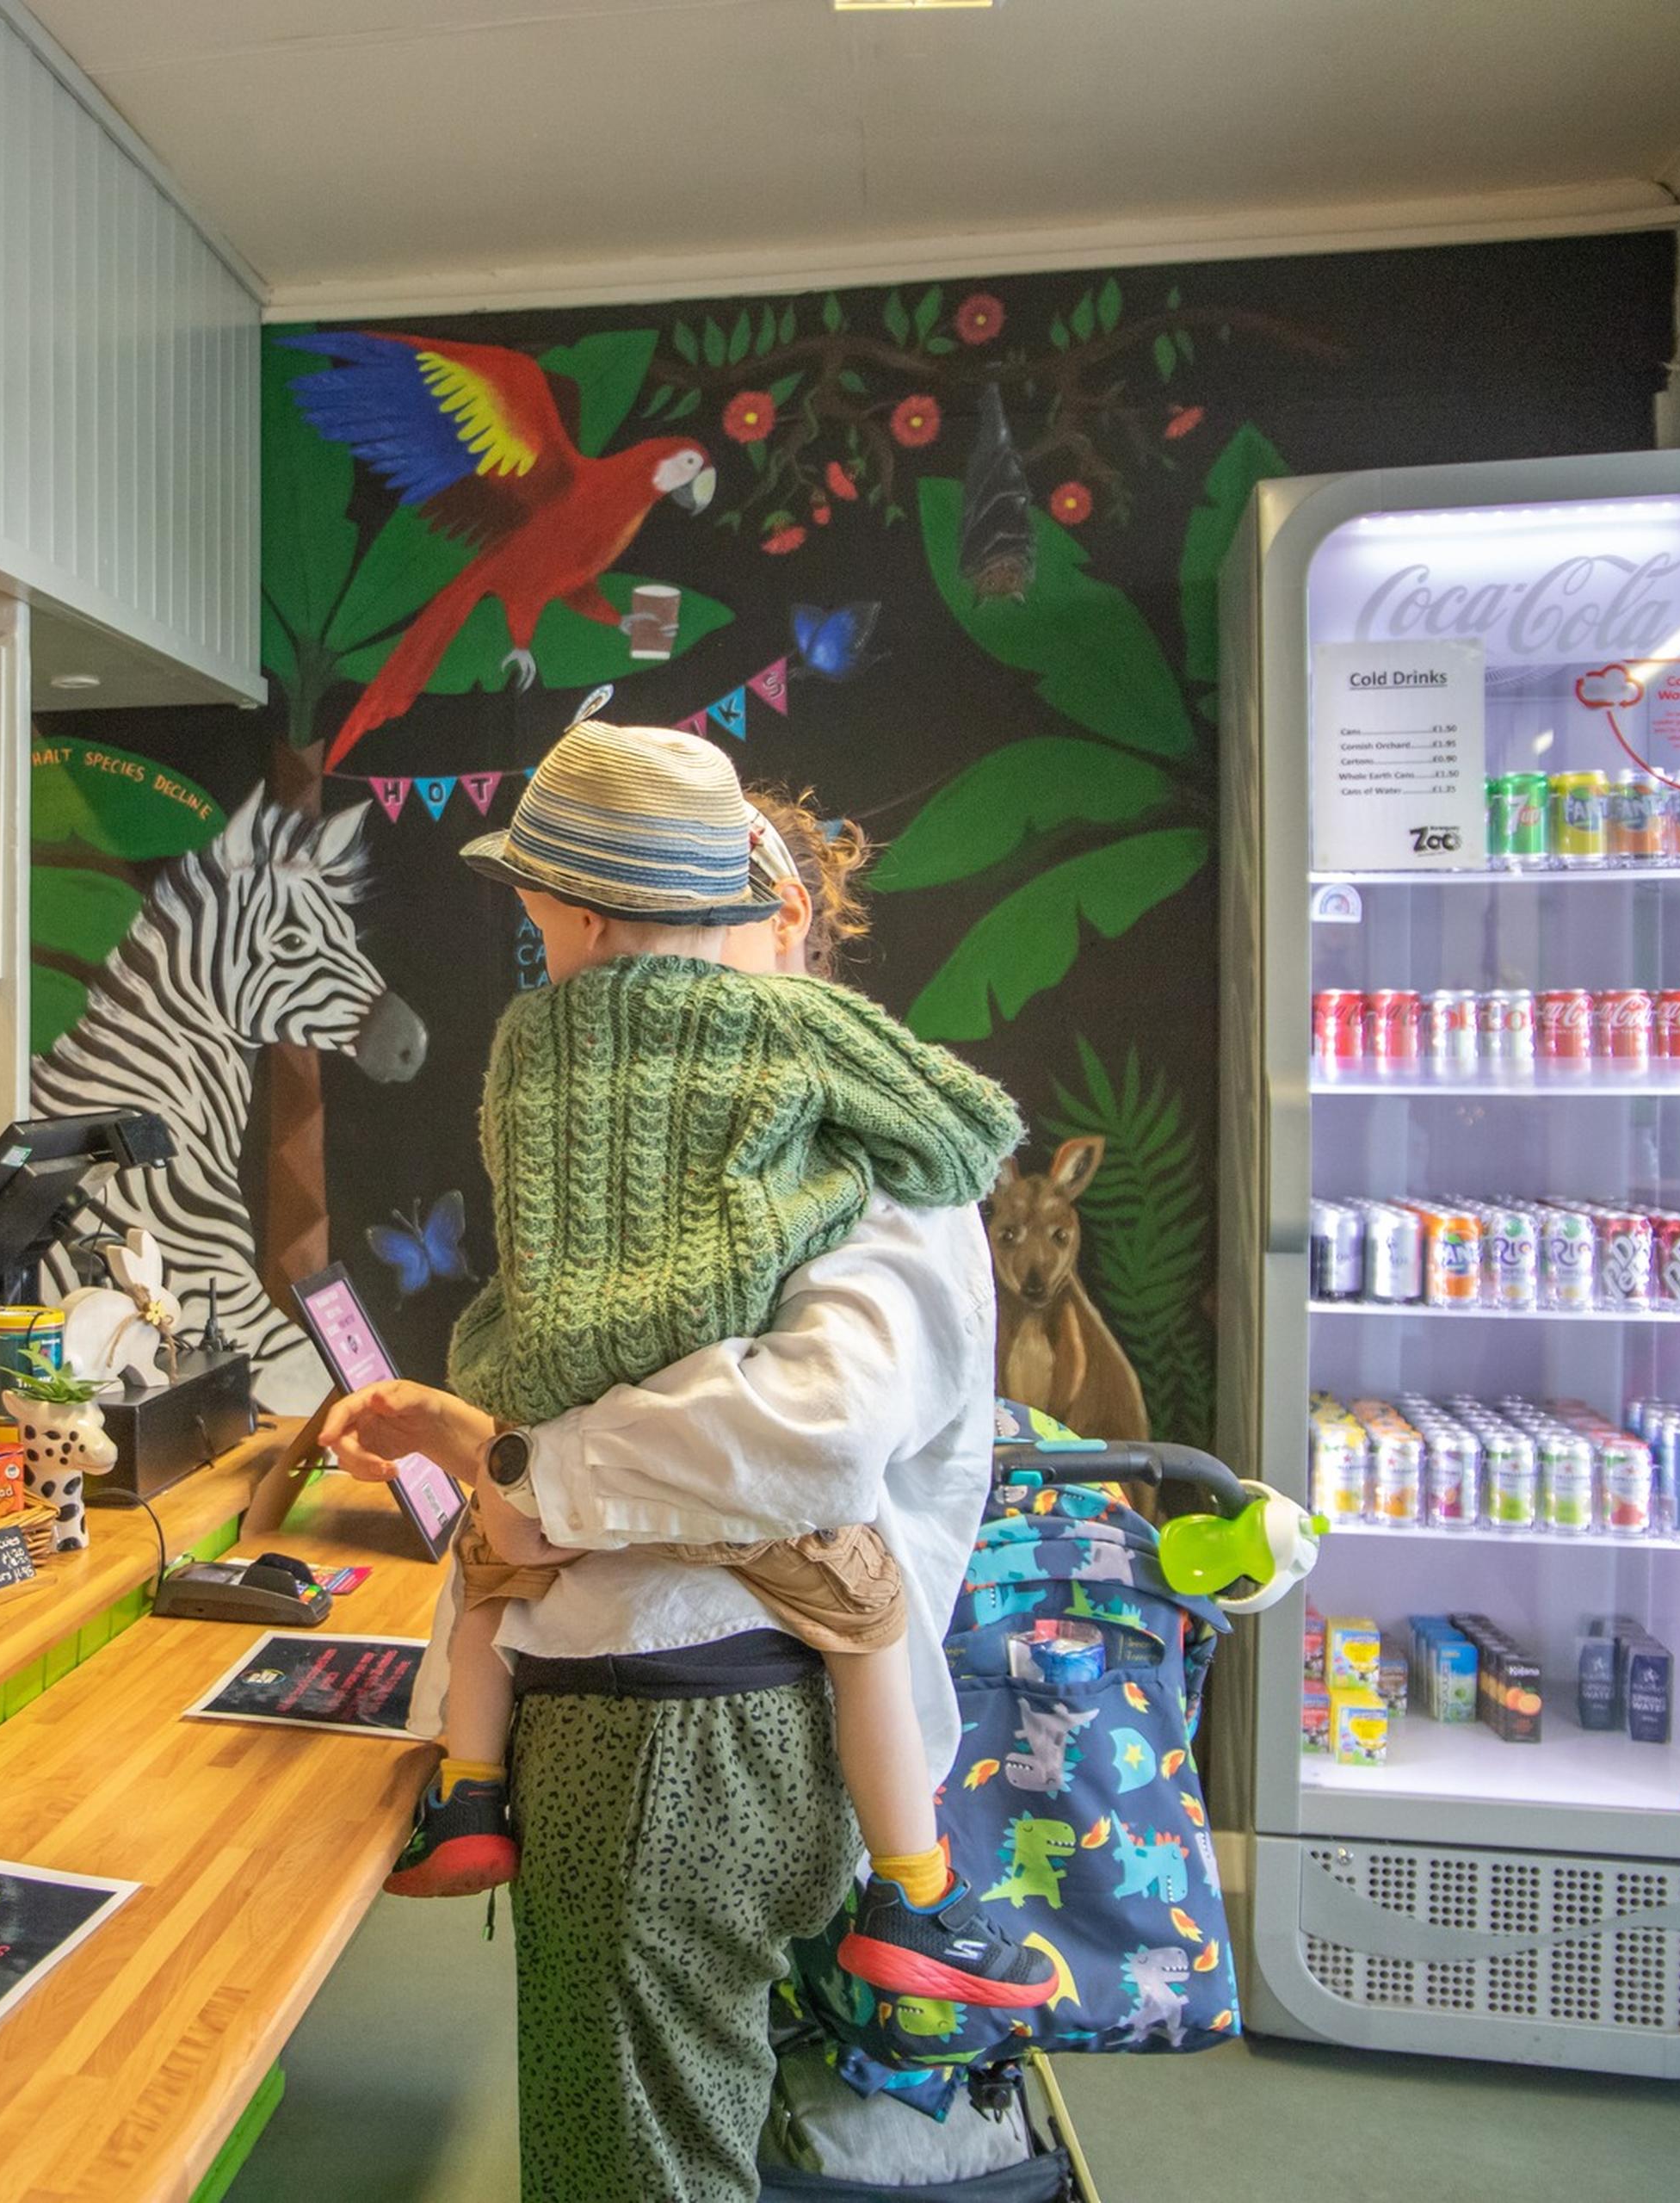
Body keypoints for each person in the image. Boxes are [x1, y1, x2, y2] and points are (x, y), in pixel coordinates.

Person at [318, 724, 1021, 2201]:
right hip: (667, 1709)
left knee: (629, 2162)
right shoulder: (710, 1138)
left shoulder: (857, 1155)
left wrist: (532, 1474)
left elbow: (810, 1424)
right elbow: (622, 1395)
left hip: (680, 1728)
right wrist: (482, 1436)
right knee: (651, 2126)